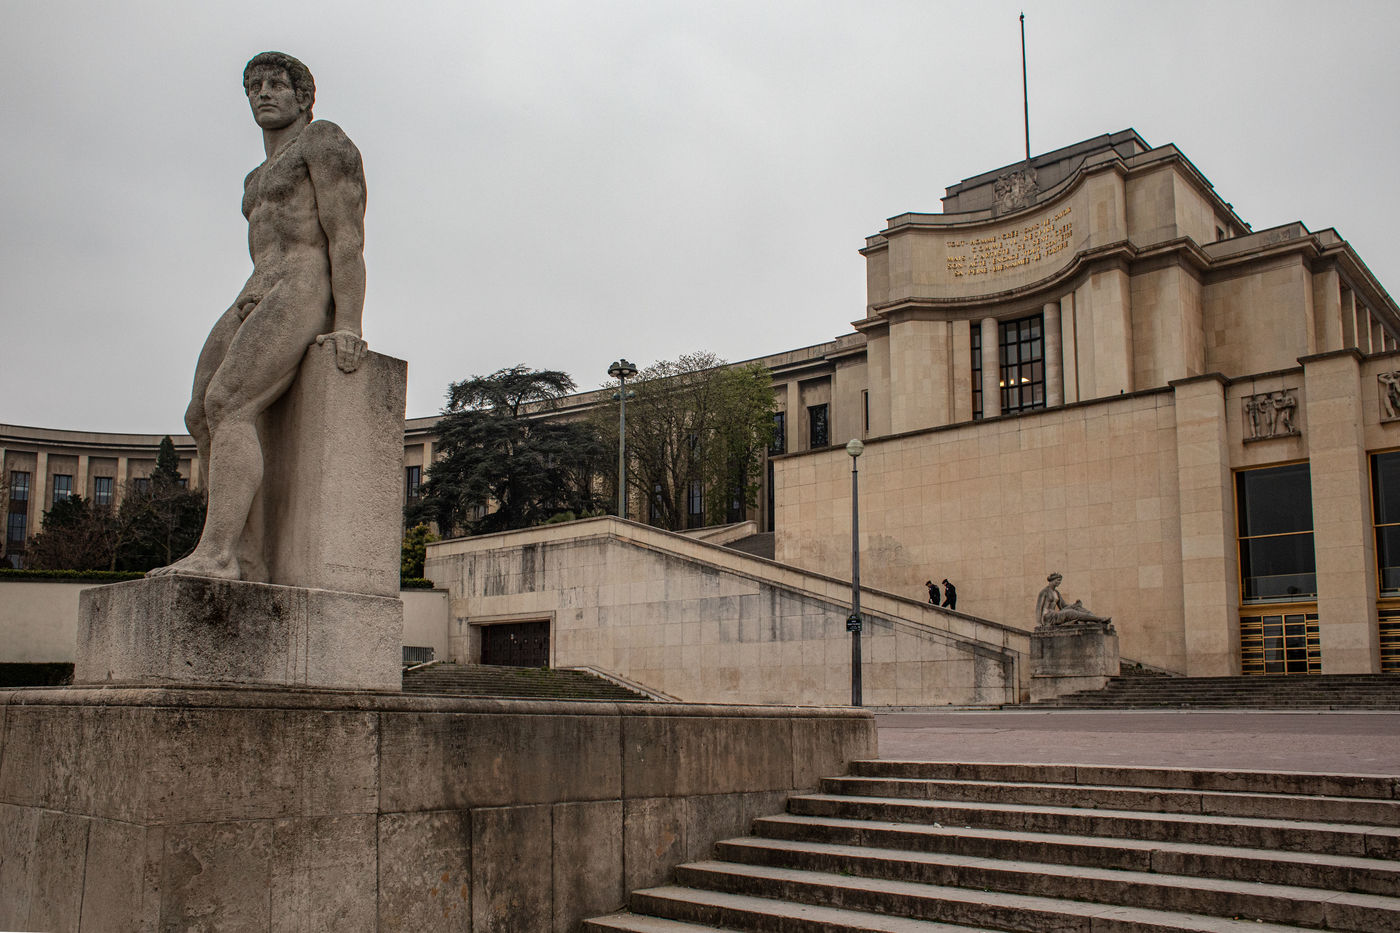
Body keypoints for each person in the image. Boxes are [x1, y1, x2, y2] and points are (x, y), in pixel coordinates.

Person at [150, 52, 367, 582]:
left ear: (303, 96)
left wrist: (349, 323)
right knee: (199, 414)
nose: (263, 93)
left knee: (228, 401)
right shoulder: (254, 177)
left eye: (275, 84)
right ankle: (246, 556)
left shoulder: (323, 141)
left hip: (302, 282)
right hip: (257, 287)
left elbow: (346, 236)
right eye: (254, 86)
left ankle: (217, 553)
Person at [1034, 572, 1111, 628]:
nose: (1059, 582)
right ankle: (1099, 619)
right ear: (1052, 580)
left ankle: (1093, 620)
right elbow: (1038, 608)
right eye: (1058, 580)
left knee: (1077, 607)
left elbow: (1063, 606)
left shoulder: (1056, 592)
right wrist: (1038, 623)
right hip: (1048, 617)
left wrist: (1075, 604)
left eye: (1060, 581)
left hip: (1056, 615)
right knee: (1071, 612)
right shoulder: (1044, 592)